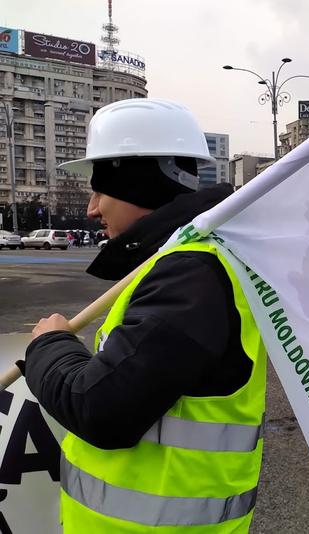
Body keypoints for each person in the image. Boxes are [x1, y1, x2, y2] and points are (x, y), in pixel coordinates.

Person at [22, 98, 266, 533]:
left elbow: (101, 407)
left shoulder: (190, 273)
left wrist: (49, 346)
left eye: (100, 191)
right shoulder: (178, 263)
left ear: (139, 188)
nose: (92, 209)